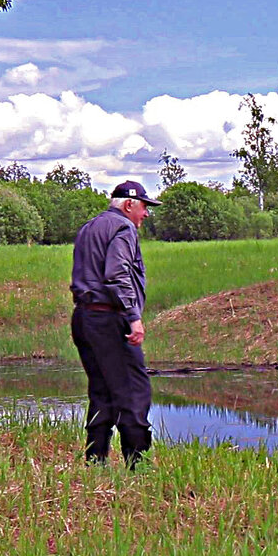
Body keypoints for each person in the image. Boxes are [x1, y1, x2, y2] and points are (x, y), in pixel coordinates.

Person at [69, 180, 161, 468]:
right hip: (109, 318)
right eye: (145, 206)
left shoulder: (89, 227)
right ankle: (138, 465)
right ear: (129, 204)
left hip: (84, 318)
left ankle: (95, 461)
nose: (146, 214)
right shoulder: (124, 228)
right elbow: (117, 274)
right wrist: (133, 317)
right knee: (134, 390)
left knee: (102, 389)